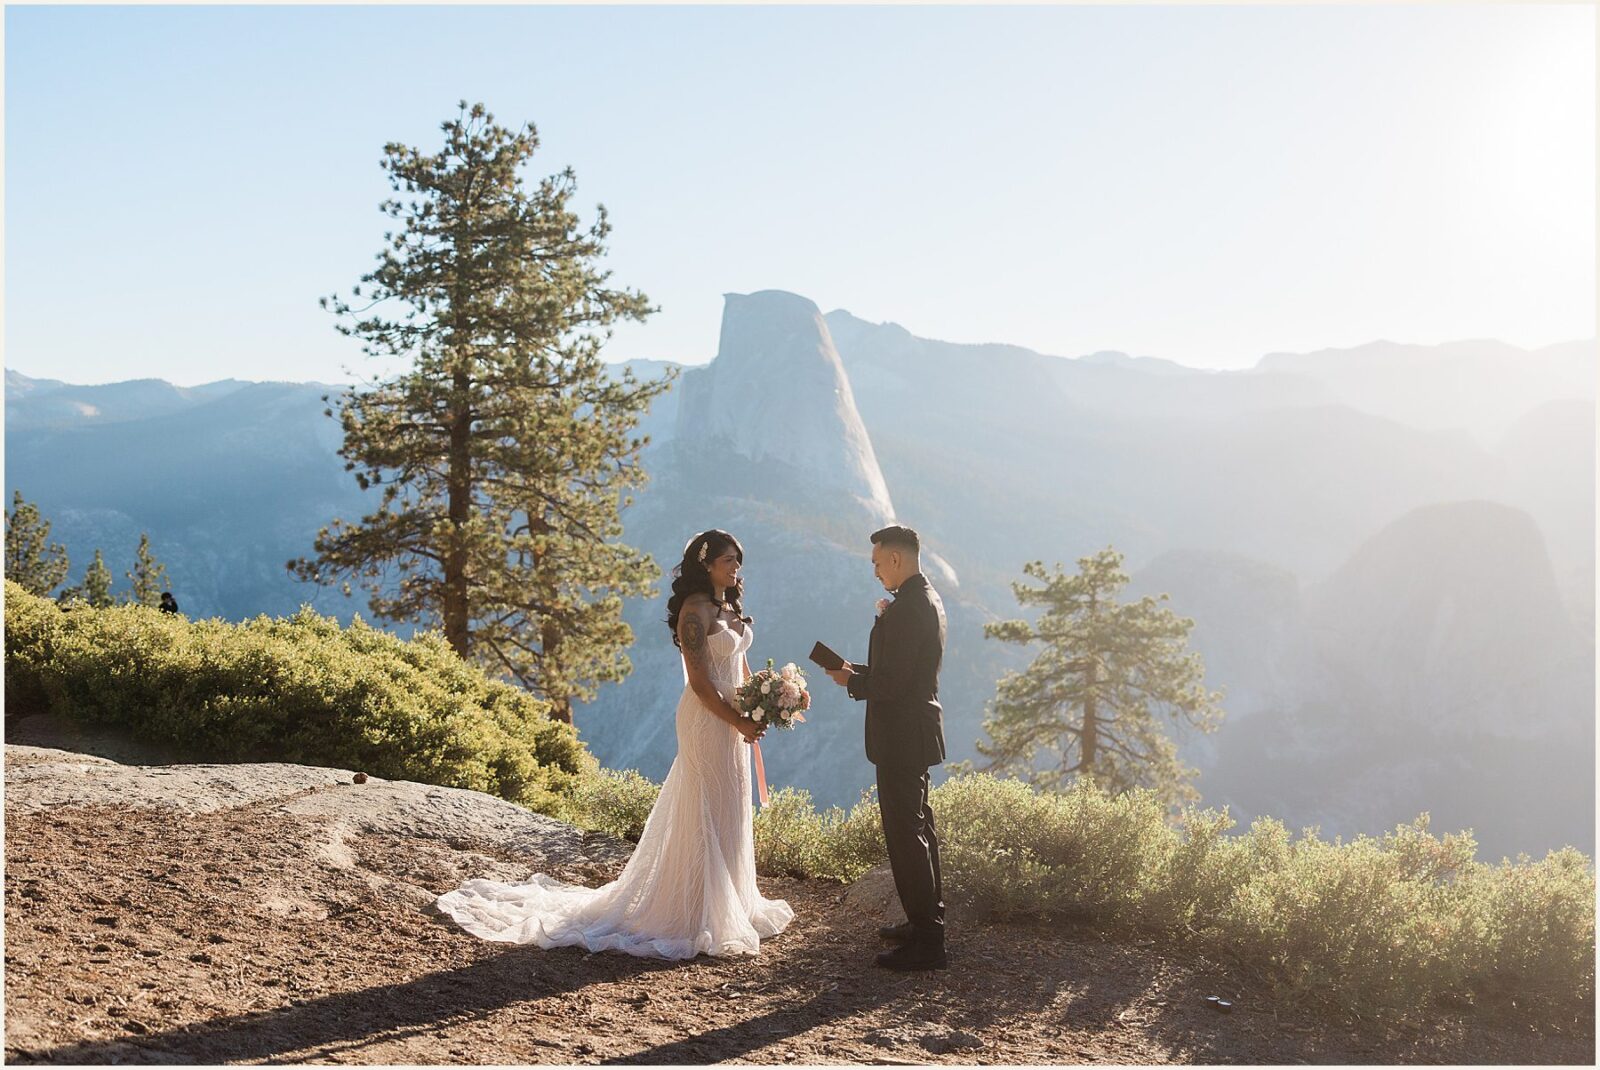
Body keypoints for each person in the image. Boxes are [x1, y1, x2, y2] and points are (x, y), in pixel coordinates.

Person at [434, 529, 793, 959]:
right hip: (707, 719)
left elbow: (740, 663)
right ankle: (693, 911)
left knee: (730, 803)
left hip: (735, 721)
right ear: (705, 565)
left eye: (738, 560)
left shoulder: (729, 605)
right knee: (705, 805)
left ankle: (728, 902)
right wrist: (737, 719)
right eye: (728, 560)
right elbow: (699, 683)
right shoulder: (694, 613)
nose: (736, 568)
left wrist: (767, 699)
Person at [826, 524, 948, 971]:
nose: (876, 572)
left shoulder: (911, 608)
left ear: (895, 559)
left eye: (878, 563)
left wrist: (852, 682)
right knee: (919, 831)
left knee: (907, 835)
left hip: (902, 736)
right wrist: (854, 669)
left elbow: (893, 685)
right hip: (913, 733)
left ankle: (929, 943)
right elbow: (901, 670)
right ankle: (924, 923)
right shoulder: (924, 599)